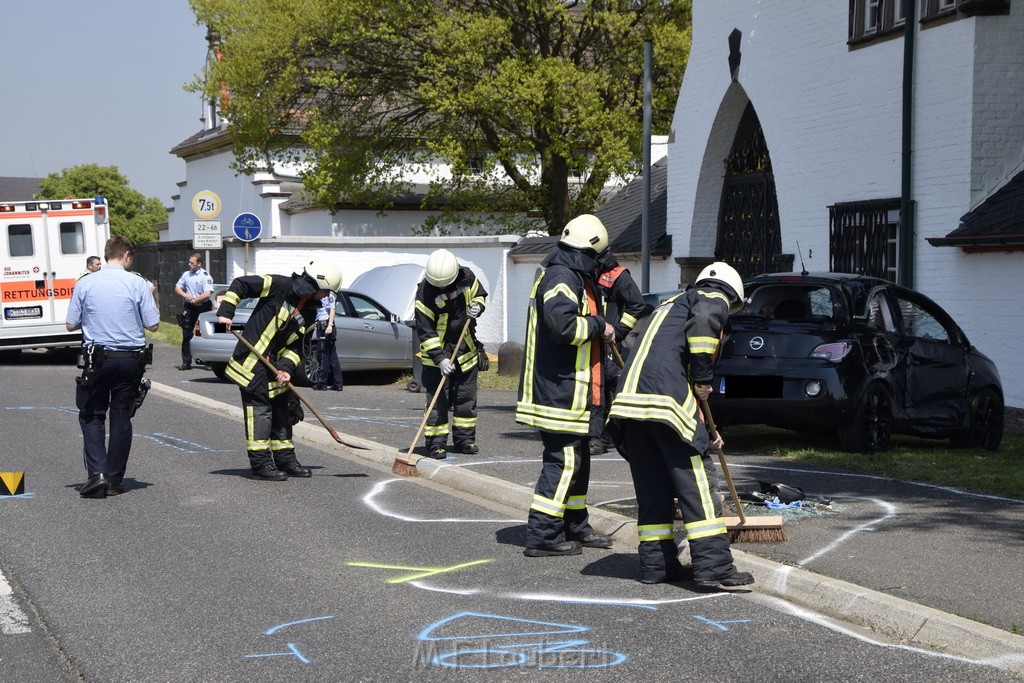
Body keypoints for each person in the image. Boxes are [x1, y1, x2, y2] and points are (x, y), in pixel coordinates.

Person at [607, 261, 755, 588]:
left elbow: (671, 368)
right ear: (730, 295)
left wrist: (707, 433)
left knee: (653, 488)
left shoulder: (668, 307)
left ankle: (657, 566)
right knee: (697, 485)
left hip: (630, 407)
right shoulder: (710, 298)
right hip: (664, 404)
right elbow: (703, 328)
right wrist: (704, 378)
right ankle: (714, 566)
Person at [515, 214, 615, 557]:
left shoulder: (568, 272)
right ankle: (543, 535)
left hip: (571, 390)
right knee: (563, 461)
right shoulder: (561, 276)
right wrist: (600, 326)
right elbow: (561, 326)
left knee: (579, 458)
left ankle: (575, 525)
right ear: (588, 252)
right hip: (560, 392)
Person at [217, 260, 343, 481]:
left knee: (282, 412)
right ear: (315, 284)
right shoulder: (279, 285)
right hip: (250, 363)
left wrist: (286, 368)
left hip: (275, 369)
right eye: (325, 292)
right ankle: (261, 464)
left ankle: (285, 459)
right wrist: (227, 312)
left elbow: (297, 347)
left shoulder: (311, 313)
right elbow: (240, 284)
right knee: (260, 413)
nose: (325, 297)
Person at [65, 236, 160, 498]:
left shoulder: (85, 283)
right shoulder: (138, 283)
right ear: (127, 255)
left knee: (92, 414)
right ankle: (116, 479)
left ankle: (97, 474)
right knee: (121, 415)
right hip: (130, 360)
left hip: (98, 359)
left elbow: (70, 324)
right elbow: (153, 325)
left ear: (107, 255)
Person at [414, 249, 487, 459]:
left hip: (465, 350)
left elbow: (479, 295)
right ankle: (436, 444)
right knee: (438, 402)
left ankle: (465, 440)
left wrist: (477, 307)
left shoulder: (467, 277)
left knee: (466, 398)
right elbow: (425, 331)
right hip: (436, 358)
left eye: (446, 284)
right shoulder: (424, 293)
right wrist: (440, 358)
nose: (443, 288)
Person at [591, 248, 647, 455]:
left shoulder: (618, 276)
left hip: (610, 344)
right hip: (587, 339)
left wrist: (619, 331)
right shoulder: (579, 273)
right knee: (593, 389)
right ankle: (594, 435)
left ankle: (604, 437)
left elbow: (637, 305)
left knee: (610, 388)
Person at [174, 252, 214, 370]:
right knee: (187, 334)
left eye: (192, 262)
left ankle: (207, 361)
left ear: (199, 263)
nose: (189, 264)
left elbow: (207, 293)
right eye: (189, 262)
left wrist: (197, 300)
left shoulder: (205, 276)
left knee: (204, 334)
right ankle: (186, 362)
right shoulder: (186, 275)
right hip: (190, 307)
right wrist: (185, 294)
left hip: (202, 307)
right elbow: (177, 288)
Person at [313, 290, 344, 391]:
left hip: (325, 326)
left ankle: (322, 383)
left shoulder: (329, 294)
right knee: (332, 355)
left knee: (323, 355)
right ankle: (338, 383)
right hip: (324, 325)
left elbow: (332, 309)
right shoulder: (320, 292)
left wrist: (329, 325)